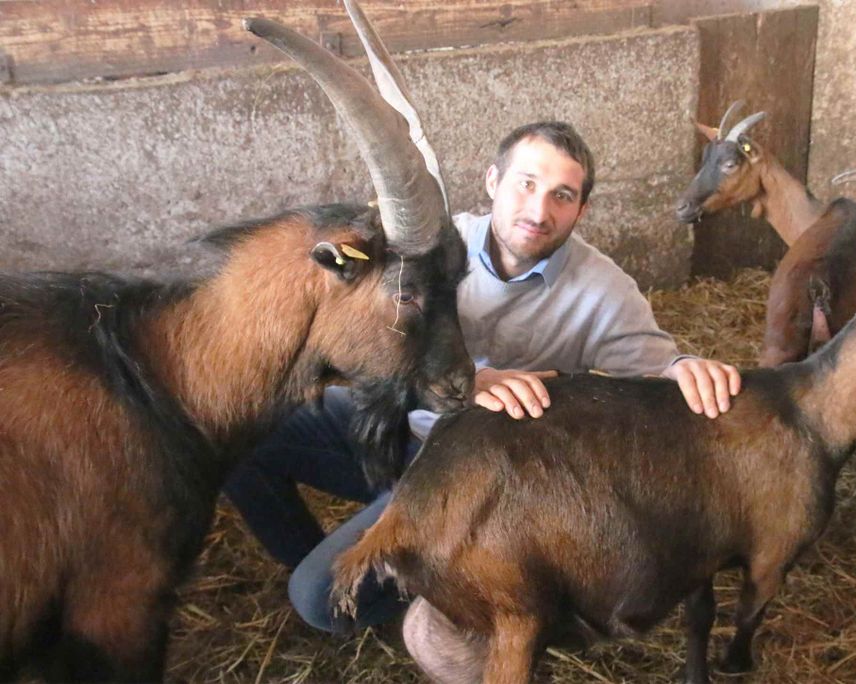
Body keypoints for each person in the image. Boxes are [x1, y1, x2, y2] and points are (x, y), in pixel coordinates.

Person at [224, 120, 741, 635]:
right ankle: (332, 562)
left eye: (562, 196)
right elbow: (366, 348)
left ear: (582, 210)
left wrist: (683, 369)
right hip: (404, 425)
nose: (538, 211)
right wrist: (468, 382)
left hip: (476, 474)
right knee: (241, 431)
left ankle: (431, 590)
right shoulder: (432, 249)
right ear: (493, 181)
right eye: (526, 183)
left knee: (319, 600)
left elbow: (655, 368)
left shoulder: (604, 290)